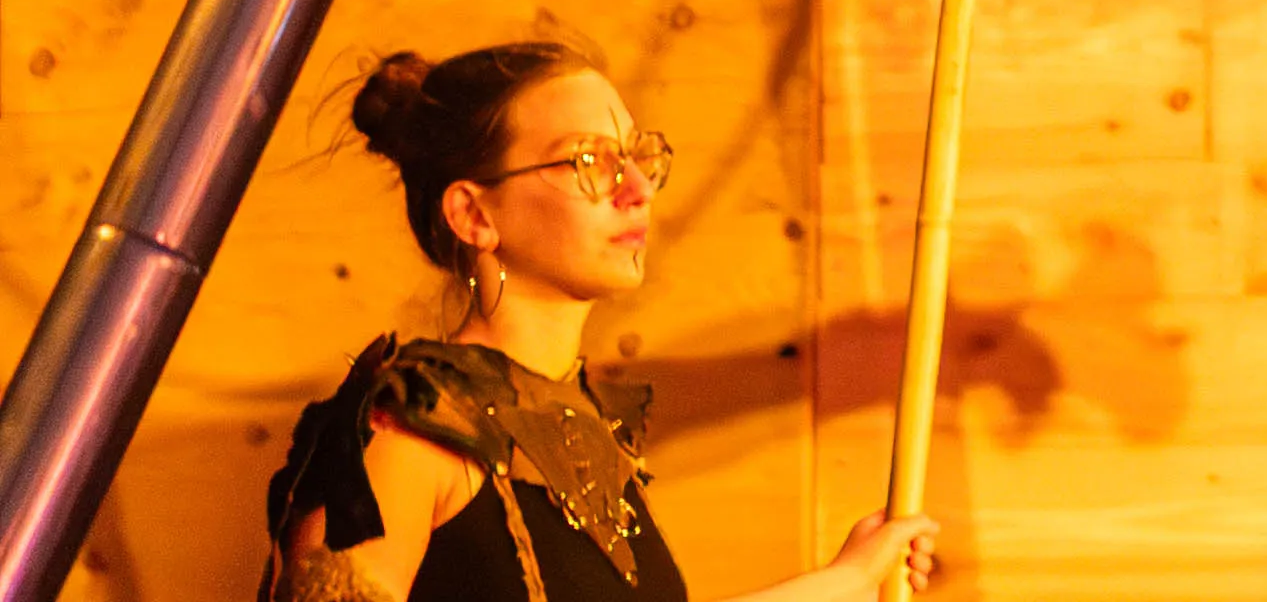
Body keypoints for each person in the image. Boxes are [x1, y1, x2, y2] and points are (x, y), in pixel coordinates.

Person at [270, 40, 933, 602]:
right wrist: (831, 588)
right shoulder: (406, 430)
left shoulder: (592, 431)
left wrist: (851, 578)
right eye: (587, 161)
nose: (637, 188)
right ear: (474, 215)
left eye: (637, 156)